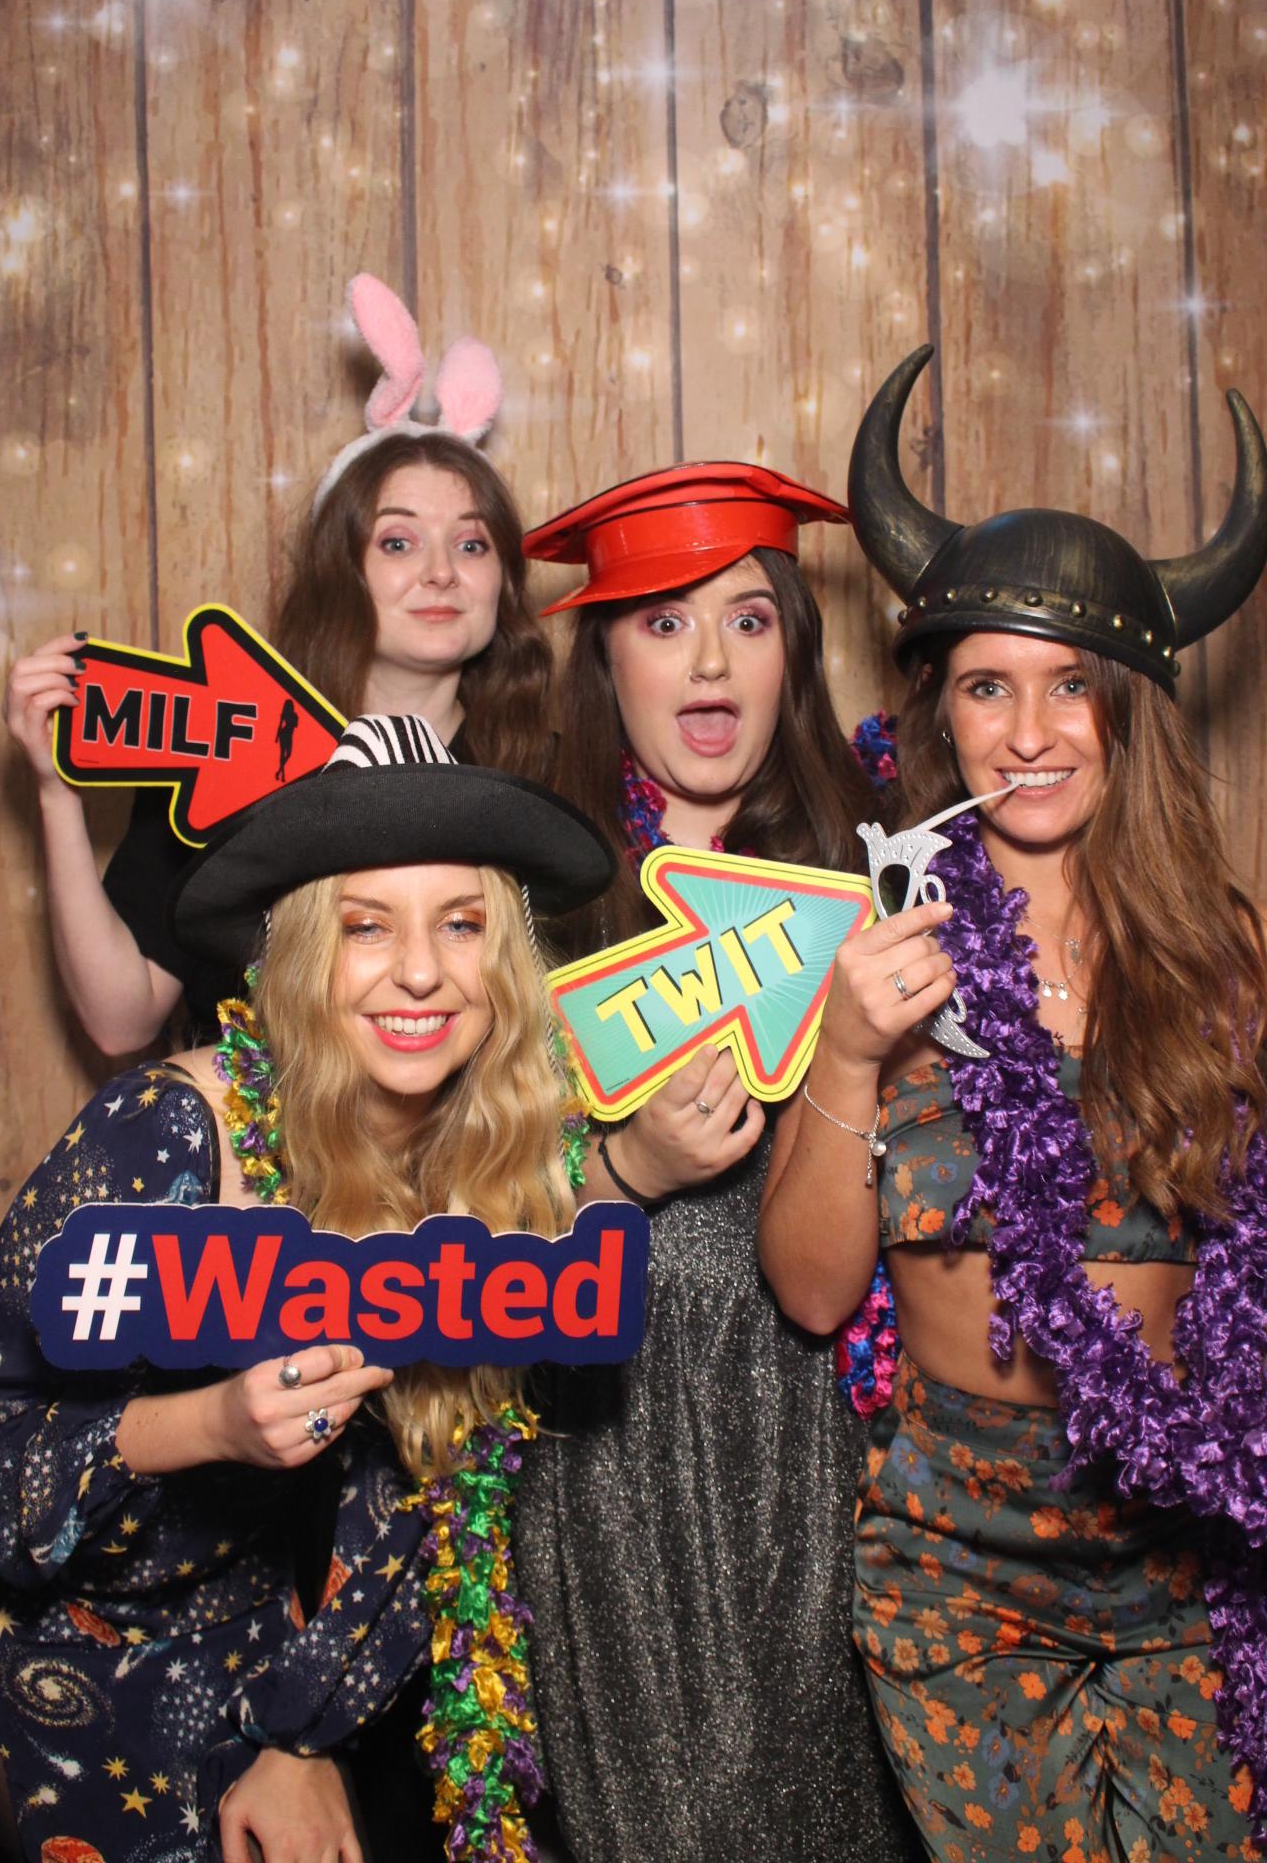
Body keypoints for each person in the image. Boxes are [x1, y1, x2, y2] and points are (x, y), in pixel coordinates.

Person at [759, 345, 1267, 1861]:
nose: (1029, 733)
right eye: (988, 685)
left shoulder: (1222, 963)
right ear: (942, 711)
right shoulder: (878, 945)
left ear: (1128, 715)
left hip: (1184, 1552)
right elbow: (811, 1291)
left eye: (1069, 688)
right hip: (957, 1567)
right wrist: (847, 1052)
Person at [0, 712, 613, 1863]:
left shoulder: (484, 1167)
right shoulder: (172, 1132)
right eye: (366, 925)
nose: (420, 970)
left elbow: (429, 1508)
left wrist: (300, 1737)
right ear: (300, 952)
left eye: (461, 923)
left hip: (284, 1679)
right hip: (81, 1690)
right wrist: (208, 1423)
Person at [512, 465, 920, 1862]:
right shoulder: (520, 901)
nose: (707, 661)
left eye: (747, 621)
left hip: (830, 1450)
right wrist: (622, 1168)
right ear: (603, 660)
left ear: (791, 656)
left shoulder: (876, 885)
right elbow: (440, 1234)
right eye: (663, 622)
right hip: (612, 1462)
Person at [3, 273, 551, 1053]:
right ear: (339, 572)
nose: (441, 572)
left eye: (471, 544)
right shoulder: (221, 741)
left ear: (504, 580)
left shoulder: (543, 775)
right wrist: (56, 789)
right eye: (398, 542)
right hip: (262, 1126)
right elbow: (122, 1019)